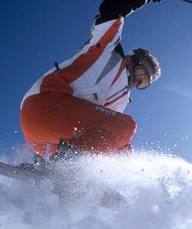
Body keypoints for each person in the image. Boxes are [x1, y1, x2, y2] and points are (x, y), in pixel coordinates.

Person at [20, 0, 162, 158]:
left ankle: (63, 172)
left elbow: (102, 135)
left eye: (144, 84)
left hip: (45, 141)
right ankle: (69, 160)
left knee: (123, 151)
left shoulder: (121, 99)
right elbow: (112, 9)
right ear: (130, 59)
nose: (138, 82)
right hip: (44, 105)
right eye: (142, 73)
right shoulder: (108, 50)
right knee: (125, 125)